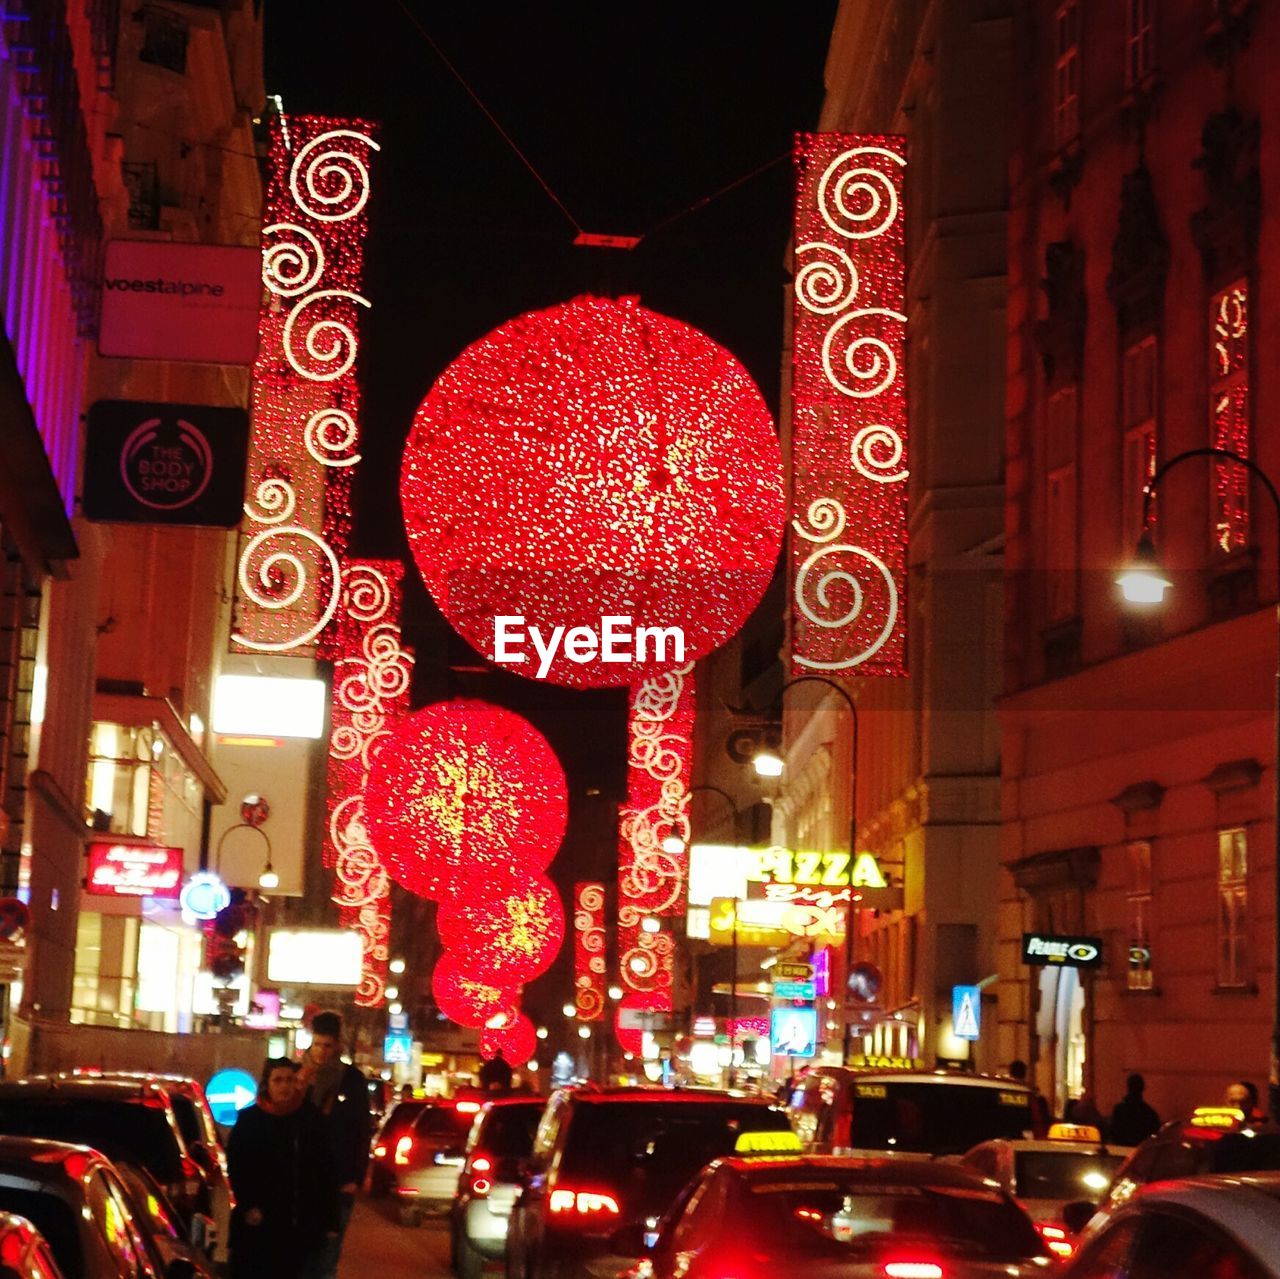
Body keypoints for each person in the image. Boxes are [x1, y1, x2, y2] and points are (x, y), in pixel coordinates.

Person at [226, 1058, 339, 1279]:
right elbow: (238, 1167)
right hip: (257, 1226)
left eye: (290, 1080)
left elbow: (326, 1169)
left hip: (297, 1226)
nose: (285, 1086)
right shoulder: (250, 1120)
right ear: (267, 1084)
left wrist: (329, 1219)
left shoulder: (311, 1119)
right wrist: (248, 1205)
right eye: (278, 1080)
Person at [297, 1010, 372, 1279]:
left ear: (337, 1045)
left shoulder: (352, 1080)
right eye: (317, 1045)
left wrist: (357, 1175)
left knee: (327, 1257)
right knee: (299, 1256)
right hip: (300, 1180)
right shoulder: (296, 1077)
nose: (322, 1052)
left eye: (328, 1046)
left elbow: (362, 1130)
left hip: (338, 1180)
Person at [1109, 1072, 1161, 1145]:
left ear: (1128, 1086)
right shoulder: (1149, 1114)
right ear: (1143, 1088)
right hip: (1141, 1153)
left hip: (1122, 1151)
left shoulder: (1119, 1110)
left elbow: (1114, 1134)